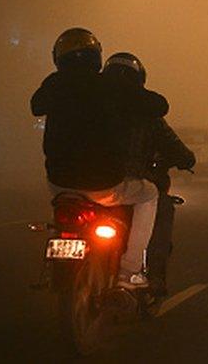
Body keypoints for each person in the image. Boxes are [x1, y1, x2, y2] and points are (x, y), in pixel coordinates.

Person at [31, 28, 168, 289]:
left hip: (59, 183)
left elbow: (35, 105)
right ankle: (129, 271)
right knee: (150, 194)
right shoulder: (111, 84)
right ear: (96, 56)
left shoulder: (54, 83)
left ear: (58, 57)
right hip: (105, 184)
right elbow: (160, 105)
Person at [102, 52, 196, 297]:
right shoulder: (147, 111)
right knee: (159, 205)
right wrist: (186, 159)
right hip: (127, 184)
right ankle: (144, 274)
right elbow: (173, 146)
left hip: (81, 180)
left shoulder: (89, 104)